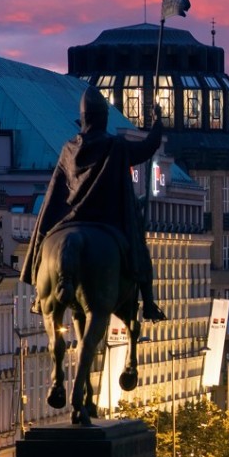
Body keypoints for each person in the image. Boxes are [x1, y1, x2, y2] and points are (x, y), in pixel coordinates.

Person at [21, 87, 167, 322]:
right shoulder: (115, 146)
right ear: (104, 119)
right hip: (107, 219)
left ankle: (40, 293)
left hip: (70, 218)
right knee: (139, 250)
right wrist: (157, 122)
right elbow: (147, 148)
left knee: (45, 233)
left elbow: (56, 191)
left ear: (83, 120)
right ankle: (148, 303)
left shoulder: (69, 149)